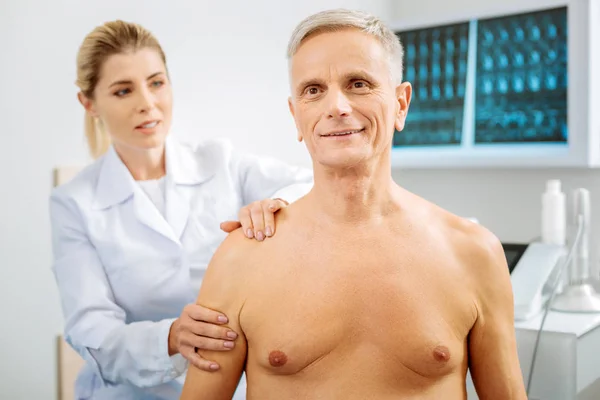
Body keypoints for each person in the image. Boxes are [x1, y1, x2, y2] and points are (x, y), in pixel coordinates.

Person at [180, 8, 527, 400]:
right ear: (296, 116)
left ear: (401, 103)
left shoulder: (474, 253)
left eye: (358, 83)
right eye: (313, 90)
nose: (337, 106)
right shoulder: (241, 258)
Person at [49, 20, 313, 400]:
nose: (147, 103)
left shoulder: (219, 161)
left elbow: (310, 183)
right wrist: (170, 336)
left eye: (156, 83)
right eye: (123, 90)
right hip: (133, 392)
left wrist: (277, 203)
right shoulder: (73, 202)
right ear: (89, 103)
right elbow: (91, 329)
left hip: (233, 385)